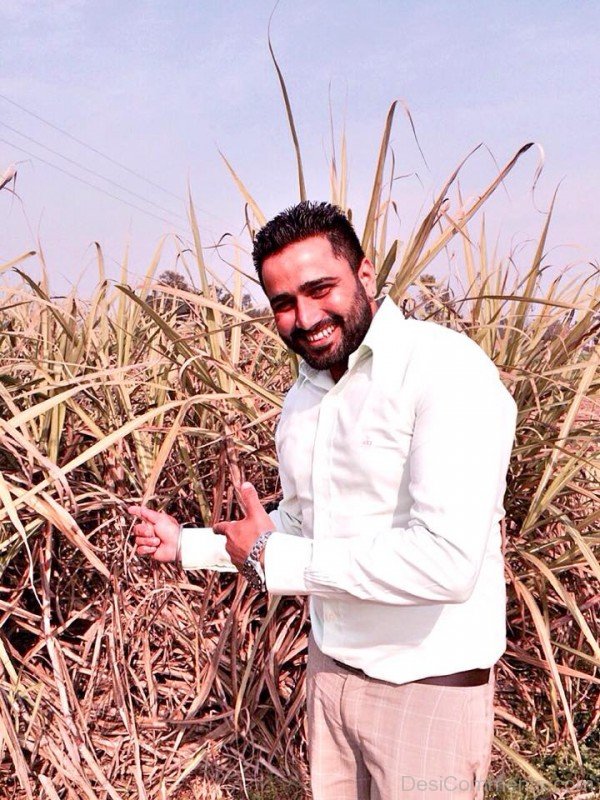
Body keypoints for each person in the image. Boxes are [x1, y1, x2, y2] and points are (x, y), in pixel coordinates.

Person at [129, 201, 517, 800]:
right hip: (331, 676)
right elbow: (305, 524)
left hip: (427, 687)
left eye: (320, 288)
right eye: (283, 303)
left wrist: (274, 561)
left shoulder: (444, 371)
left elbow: (447, 561)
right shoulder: (304, 398)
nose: (305, 317)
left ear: (364, 276)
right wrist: (189, 545)